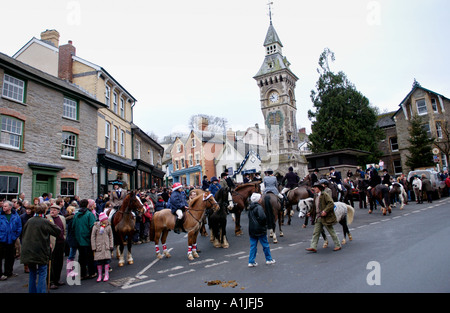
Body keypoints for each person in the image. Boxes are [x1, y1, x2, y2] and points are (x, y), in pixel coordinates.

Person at [20, 203, 61, 293]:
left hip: (28, 251)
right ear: (45, 211)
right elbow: (57, 231)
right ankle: (41, 291)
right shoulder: (45, 221)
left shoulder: (29, 221)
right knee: (42, 273)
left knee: (32, 273)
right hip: (40, 251)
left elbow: (23, 234)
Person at [305, 182, 341, 253]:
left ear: (319, 188)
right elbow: (315, 207)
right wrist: (310, 212)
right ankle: (313, 247)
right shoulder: (315, 196)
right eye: (314, 187)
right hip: (318, 217)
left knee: (331, 231)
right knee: (316, 232)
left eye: (315, 187)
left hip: (325, 217)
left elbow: (331, 203)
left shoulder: (324, 195)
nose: (314, 189)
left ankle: (338, 245)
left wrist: (325, 211)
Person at [247, 193, 275, 267]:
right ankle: (269, 259)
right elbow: (263, 217)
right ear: (259, 200)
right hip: (260, 229)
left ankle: (251, 261)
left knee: (253, 246)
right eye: (260, 198)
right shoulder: (259, 207)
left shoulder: (250, 208)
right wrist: (264, 225)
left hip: (252, 229)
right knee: (265, 245)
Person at [72, 199, 96, 279]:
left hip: (78, 239)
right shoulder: (89, 214)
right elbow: (93, 226)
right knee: (90, 257)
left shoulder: (76, 215)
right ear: (87, 205)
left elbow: (73, 226)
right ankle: (91, 273)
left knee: (81, 257)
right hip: (88, 239)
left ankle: (82, 274)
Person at [0, 201, 22, 281]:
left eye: (5, 206)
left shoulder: (15, 216)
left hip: (11, 240)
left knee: (10, 257)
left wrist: (14, 236)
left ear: (10, 207)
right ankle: (0, 274)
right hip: (1, 240)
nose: (3, 207)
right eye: (3, 206)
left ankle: (8, 272)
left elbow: (19, 227)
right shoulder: (1, 215)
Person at [46, 204, 66, 289]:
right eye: (51, 210)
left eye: (54, 210)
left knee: (59, 262)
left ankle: (57, 279)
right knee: (51, 263)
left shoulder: (62, 218)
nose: (52, 211)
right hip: (51, 244)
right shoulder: (47, 218)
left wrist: (64, 237)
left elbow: (64, 229)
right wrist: (48, 243)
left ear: (58, 211)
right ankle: (50, 281)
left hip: (60, 243)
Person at [91, 212, 114, 282]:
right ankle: (100, 275)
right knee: (99, 262)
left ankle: (106, 274)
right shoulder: (95, 227)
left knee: (107, 261)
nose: (107, 220)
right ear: (101, 220)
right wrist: (94, 247)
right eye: (105, 219)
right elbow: (93, 237)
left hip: (106, 246)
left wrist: (111, 245)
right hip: (99, 247)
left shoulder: (108, 227)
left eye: (107, 219)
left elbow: (111, 236)